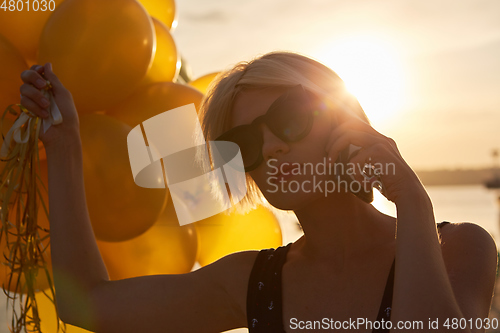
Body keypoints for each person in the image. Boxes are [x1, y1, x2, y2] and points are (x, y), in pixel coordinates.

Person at [19, 52, 497, 333]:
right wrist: (64, 145)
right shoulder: (253, 283)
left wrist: (412, 199)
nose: (269, 147)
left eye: (288, 118)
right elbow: (88, 303)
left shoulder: (460, 248)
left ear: (343, 120)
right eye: (243, 143)